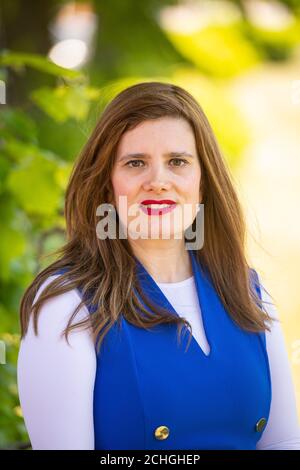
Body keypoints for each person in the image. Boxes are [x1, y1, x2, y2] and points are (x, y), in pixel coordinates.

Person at [17, 81, 300, 450]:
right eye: (136, 163)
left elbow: (284, 441)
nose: (158, 182)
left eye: (177, 162)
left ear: (202, 183)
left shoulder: (248, 292)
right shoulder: (67, 304)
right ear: (106, 185)